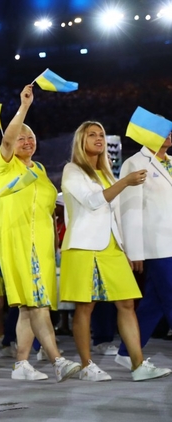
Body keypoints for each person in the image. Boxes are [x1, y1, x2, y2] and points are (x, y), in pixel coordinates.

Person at [60, 121, 171, 381]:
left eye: (101, 134)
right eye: (92, 135)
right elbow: (92, 201)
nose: (98, 138)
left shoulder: (106, 172)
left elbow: (116, 213)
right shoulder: (72, 169)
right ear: (81, 141)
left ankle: (138, 365)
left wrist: (127, 247)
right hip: (84, 246)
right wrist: (125, 182)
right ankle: (87, 366)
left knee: (127, 303)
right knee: (85, 307)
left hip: (112, 246)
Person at [0, 85, 81, 382]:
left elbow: (49, 208)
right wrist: (24, 107)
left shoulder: (40, 169)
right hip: (19, 241)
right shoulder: (6, 166)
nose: (26, 141)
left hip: (43, 246)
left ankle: (21, 364)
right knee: (38, 302)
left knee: (27, 306)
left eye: (30, 137)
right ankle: (57, 360)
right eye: (21, 137)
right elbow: (8, 139)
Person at [115, 131, 172, 369]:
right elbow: (129, 209)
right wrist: (134, 250)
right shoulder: (135, 163)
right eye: (161, 131)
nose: (169, 134)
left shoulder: (170, 162)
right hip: (155, 245)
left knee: (155, 303)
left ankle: (126, 352)